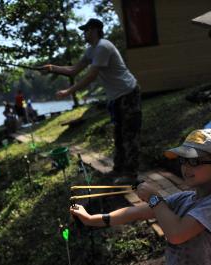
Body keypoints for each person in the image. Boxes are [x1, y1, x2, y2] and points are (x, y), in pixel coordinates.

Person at [70, 129, 211, 265]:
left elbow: (177, 234)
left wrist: (154, 198)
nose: (185, 167)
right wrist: (93, 219)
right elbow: (136, 212)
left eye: (194, 161)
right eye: (183, 160)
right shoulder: (185, 198)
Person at [41, 18, 141, 184]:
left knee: (129, 135)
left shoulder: (103, 46)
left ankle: (131, 175)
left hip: (128, 93)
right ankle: (119, 170)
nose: (83, 33)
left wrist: (68, 91)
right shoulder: (91, 50)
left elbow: (91, 76)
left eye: (86, 30)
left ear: (94, 30)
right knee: (118, 134)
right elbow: (73, 70)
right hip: (116, 97)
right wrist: (52, 68)